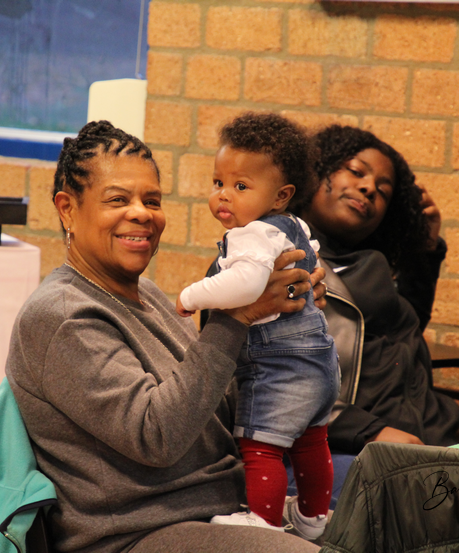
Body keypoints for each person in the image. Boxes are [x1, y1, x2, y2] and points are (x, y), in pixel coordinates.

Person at [5, 120, 323, 553]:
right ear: (68, 210)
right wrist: (236, 317)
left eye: (152, 200)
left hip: (222, 510)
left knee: (381, 516)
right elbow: (156, 436)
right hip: (138, 534)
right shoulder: (62, 315)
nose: (141, 213)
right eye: (118, 199)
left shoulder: (150, 296)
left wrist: (283, 323)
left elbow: (215, 411)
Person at [176, 113, 339, 540]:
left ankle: (262, 522)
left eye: (241, 186)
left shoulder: (251, 235)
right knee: (311, 441)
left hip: (278, 364)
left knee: (260, 444)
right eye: (218, 183)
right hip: (319, 361)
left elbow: (247, 285)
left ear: (281, 195)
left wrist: (191, 296)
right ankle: (313, 518)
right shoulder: (294, 226)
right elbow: (311, 257)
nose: (223, 195)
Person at [296, 124, 459, 454]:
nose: (370, 187)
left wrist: (424, 251)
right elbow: (265, 381)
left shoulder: (369, 266)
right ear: (315, 170)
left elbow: (404, 332)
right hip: (354, 444)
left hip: (430, 437)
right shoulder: (276, 257)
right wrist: (369, 432)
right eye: (356, 171)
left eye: (384, 192)